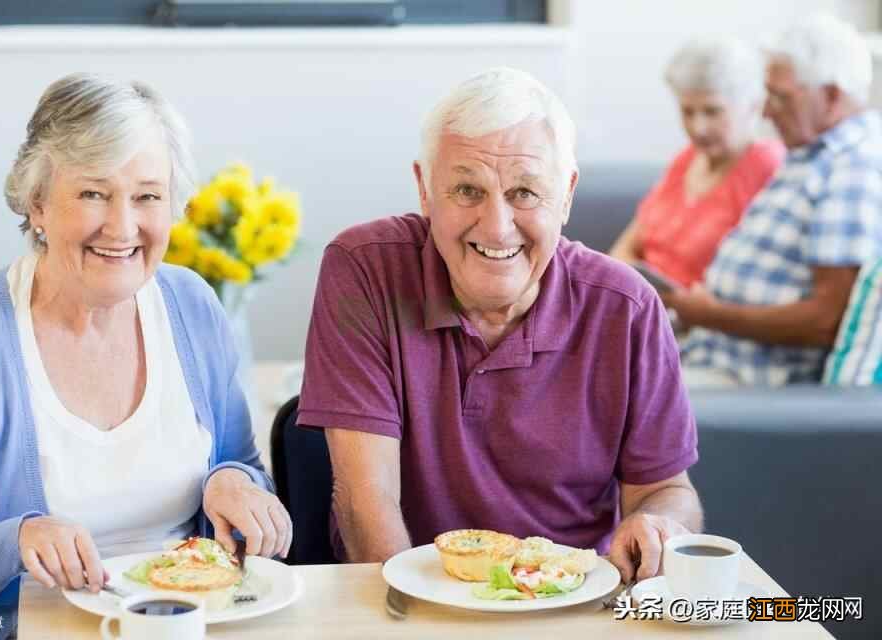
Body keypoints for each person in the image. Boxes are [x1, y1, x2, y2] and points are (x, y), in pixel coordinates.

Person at [297, 67, 703, 584]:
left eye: (524, 193)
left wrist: (659, 525)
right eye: (467, 189)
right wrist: (416, 616)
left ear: (567, 195)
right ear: (425, 190)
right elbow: (365, 503)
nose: (496, 226)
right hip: (408, 597)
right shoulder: (364, 269)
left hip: (569, 599)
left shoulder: (628, 308)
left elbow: (667, 490)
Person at [0, 74, 291, 625]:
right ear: (38, 203)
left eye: (147, 196)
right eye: (93, 193)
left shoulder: (193, 305)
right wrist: (16, 540)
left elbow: (241, 466)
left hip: (189, 622)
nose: (122, 227)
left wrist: (233, 482)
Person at [663, 15, 882, 387]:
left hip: (749, 379)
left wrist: (710, 314)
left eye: (780, 96)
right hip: (709, 352)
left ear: (830, 96)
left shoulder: (854, 169)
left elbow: (825, 321)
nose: (765, 111)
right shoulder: (811, 154)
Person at [611, 37, 784, 287]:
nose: (698, 128)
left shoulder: (768, 165)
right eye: (687, 112)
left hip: (697, 318)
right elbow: (626, 246)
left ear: (753, 106)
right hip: (643, 303)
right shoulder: (687, 158)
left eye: (713, 111)